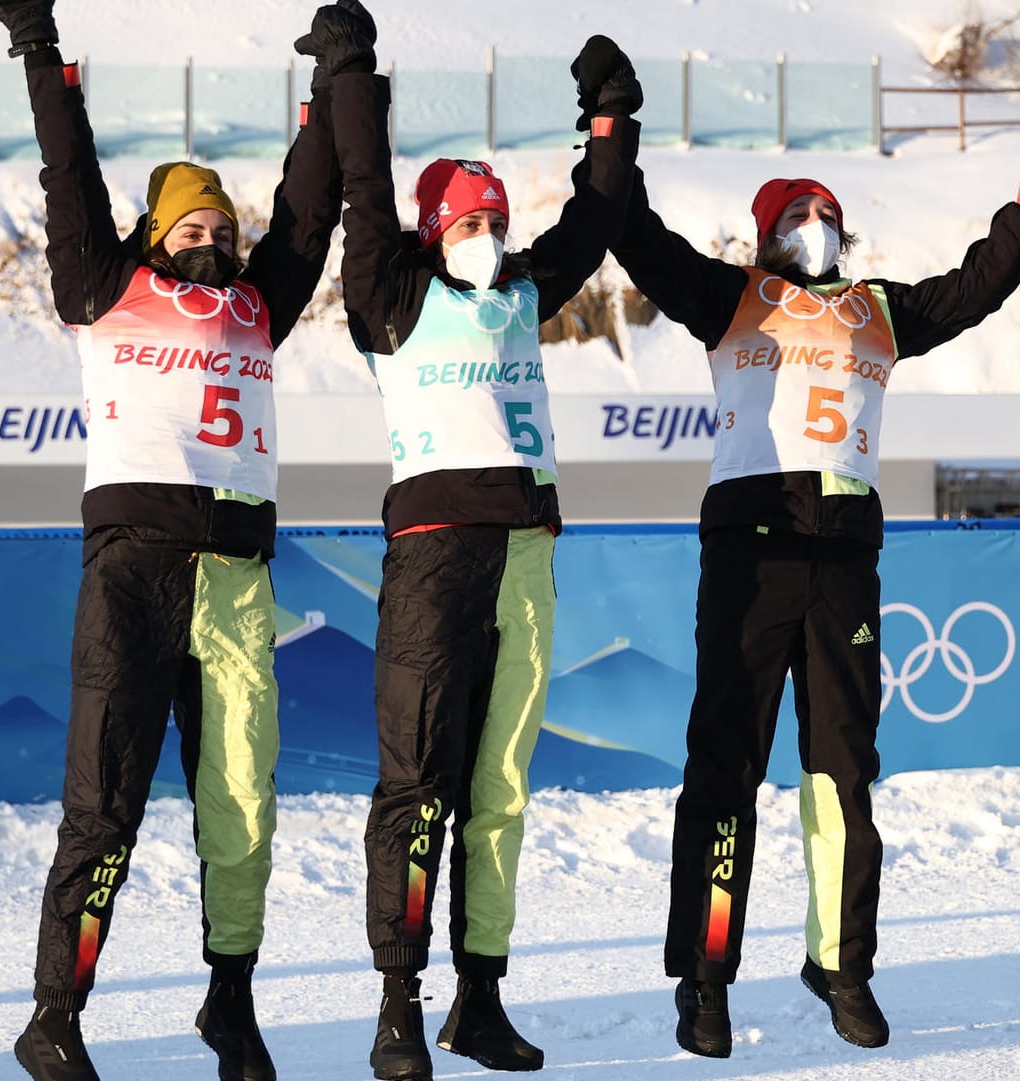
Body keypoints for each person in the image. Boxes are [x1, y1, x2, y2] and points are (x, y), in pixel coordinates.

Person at [608, 99, 1020, 1057]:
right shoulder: (732, 295)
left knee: (842, 776)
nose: (816, 229)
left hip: (844, 564)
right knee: (724, 770)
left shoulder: (878, 309)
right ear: (766, 236)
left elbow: (981, 281)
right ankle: (704, 980)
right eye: (796, 217)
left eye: (826, 214)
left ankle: (843, 966)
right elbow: (639, 237)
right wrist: (611, 133)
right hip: (750, 553)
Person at [0, 2, 350, 1079]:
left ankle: (228, 1002)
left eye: (221, 228)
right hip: (133, 573)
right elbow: (69, 174)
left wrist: (333, 90)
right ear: (157, 234)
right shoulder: (106, 287)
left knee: (242, 799)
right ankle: (56, 1013)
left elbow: (307, 212)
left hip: (237, 575)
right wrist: (40, 51)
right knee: (105, 800)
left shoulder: (256, 303)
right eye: (193, 226)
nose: (214, 239)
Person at [322, 18, 643, 1080]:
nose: (490, 234)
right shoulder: (392, 298)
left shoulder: (518, 297)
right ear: (432, 229)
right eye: (468, 219)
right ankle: (398, 1006)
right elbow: (363, 187)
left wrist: (607, 122)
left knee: (499, 787)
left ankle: (481, 997)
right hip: (430, 554)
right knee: (418, 783)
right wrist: (350, 75)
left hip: (526, 556)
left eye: (496, 219)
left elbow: (591, 225)